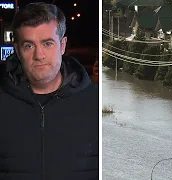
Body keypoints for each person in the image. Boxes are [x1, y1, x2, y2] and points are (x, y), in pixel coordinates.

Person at [0, 2, 99, 180]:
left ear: (62, 45)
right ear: (17, 50)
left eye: (47, 43)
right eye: (29, 46)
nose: (39, 55)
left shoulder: (97, 104)